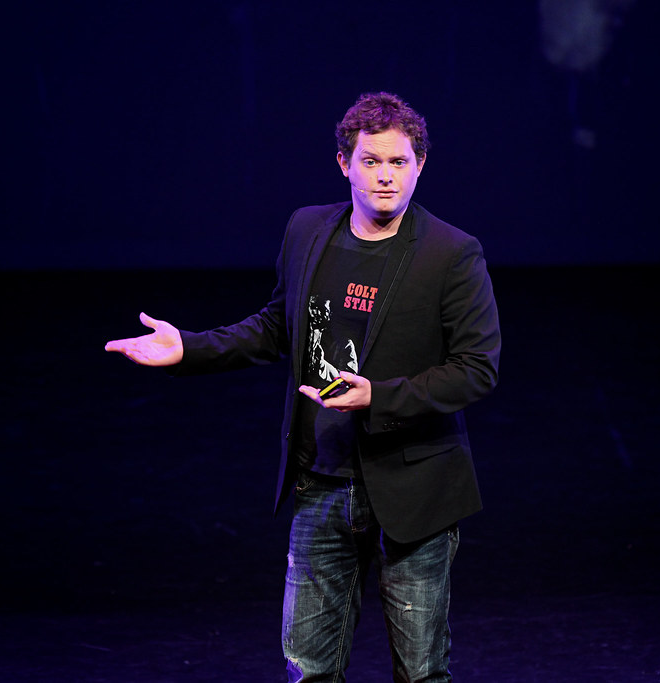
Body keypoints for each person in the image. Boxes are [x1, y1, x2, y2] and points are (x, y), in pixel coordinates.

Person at [105, 92, 501, 682]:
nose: (386, 176)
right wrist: (189, 346)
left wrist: (378, 396)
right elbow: (275, 327)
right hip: (321, 481)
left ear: (421, 164)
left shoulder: (451, 253)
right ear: (345, 163)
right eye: (371, 161)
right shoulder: (308, 229)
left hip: (414, 485)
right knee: (308, 670)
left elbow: (476, 367)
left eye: (400, 161)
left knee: (422, 674)